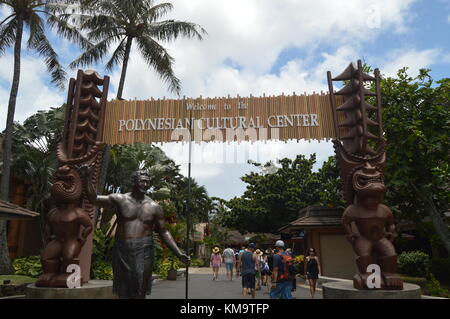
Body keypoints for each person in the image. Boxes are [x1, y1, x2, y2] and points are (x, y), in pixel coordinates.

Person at [83, 169, 189, 299]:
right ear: (134, 182)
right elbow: (93, 198)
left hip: (145, 249)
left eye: (147, 182)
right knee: (123, 290)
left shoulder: (154, 207)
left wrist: (178, 253)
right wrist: (87, 177)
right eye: (142, 181)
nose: (146, 184)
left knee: (140, 289)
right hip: (122, 249)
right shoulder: (120, 199)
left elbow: (164, 231)